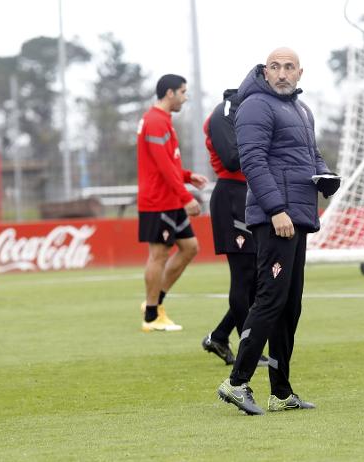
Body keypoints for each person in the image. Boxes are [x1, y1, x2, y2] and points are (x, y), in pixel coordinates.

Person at [217, 48, 340, 415]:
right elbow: (252, 161)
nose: (282, 73)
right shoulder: (256, 105)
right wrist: (276, 210)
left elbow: (310, 155)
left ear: (300, 72)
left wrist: (326, 177)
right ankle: (236, 383)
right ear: (265, 72)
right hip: (277, 217)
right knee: (270, 299)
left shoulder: (302, 110)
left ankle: (281, 392)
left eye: (289, 67)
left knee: (290, 305)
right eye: (275, 67)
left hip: (298, 214)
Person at [201, 88, 268, 367]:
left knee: (254, 279)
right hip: (232, 197)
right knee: (243, 276)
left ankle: (219, 336)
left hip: (250, 195)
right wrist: (262, 148)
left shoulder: (249, 112)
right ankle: (247, 350)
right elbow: (230, 158)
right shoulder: (224, 112)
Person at [137, 74, 208, 332]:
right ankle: (151, 317)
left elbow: (169, 162)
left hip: (170, 198)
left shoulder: (162, 120)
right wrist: (186, 196)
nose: (185, 97)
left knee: (190, 248)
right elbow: (162, 166)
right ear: (170, 93)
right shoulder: (154, 121)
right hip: (159, 201)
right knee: (158, 255)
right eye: (183, 92)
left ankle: (154, 304)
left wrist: (188, 176)